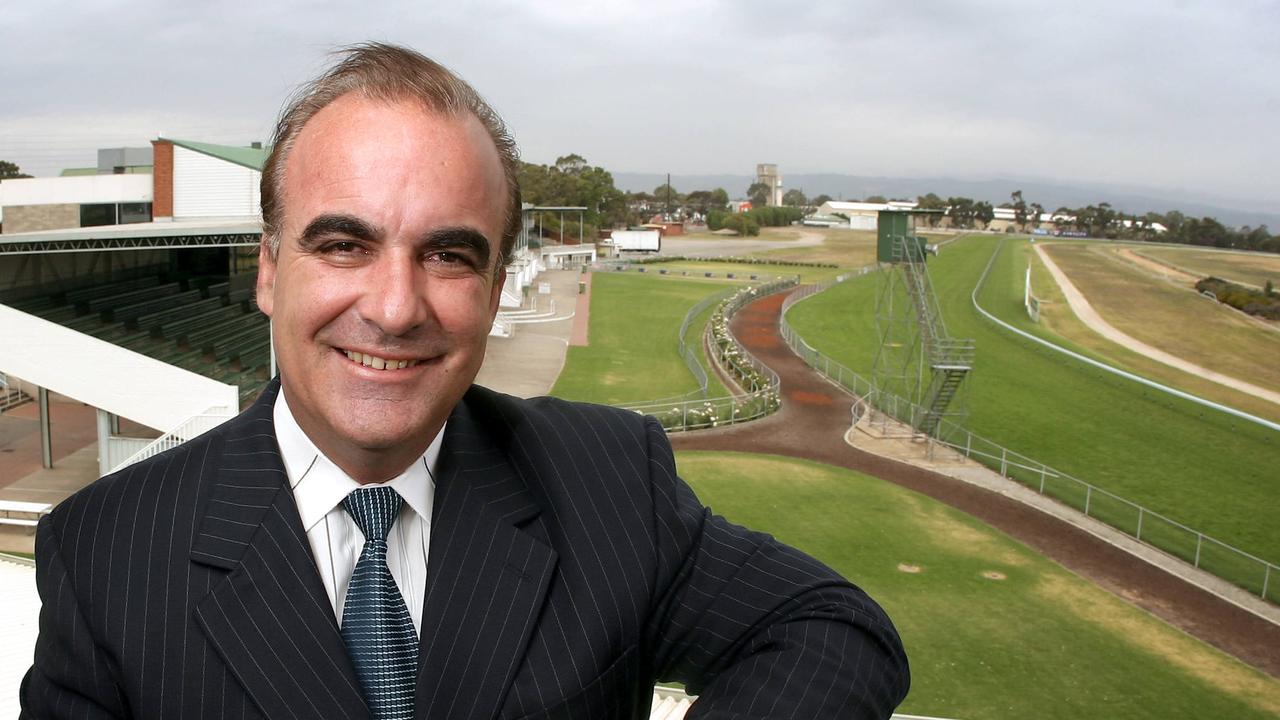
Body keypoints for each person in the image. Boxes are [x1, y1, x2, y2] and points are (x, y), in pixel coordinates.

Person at [21, 43, 908, 719]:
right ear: (266, 271)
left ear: (491, 288)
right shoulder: (106, 553)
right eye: (343, 245)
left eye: (448, 255)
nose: (397, 308)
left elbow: (834, 631)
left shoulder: (607, 479)